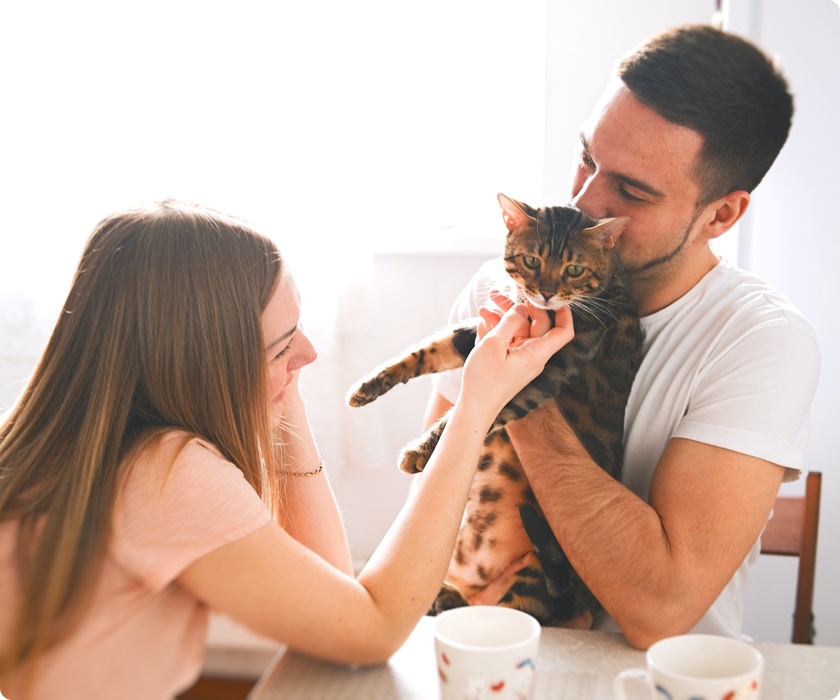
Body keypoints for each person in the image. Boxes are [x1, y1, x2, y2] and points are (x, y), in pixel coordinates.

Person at [0, 200, 574, 699]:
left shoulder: (81, 444)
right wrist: (476, 405)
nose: (309, 354)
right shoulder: (167, 473)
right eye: (281, 347)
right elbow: (368, 632)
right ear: (203, 364)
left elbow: (332, 594)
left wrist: (281, 380)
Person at [424, 23, 820, 649]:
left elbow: (657, 611)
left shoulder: (761, 343)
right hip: (485, 645)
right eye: (586, 156)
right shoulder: (500, 285)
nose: (583, 200)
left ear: (721, 214)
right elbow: (436, 500)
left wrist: (520, 391)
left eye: (630, 190)